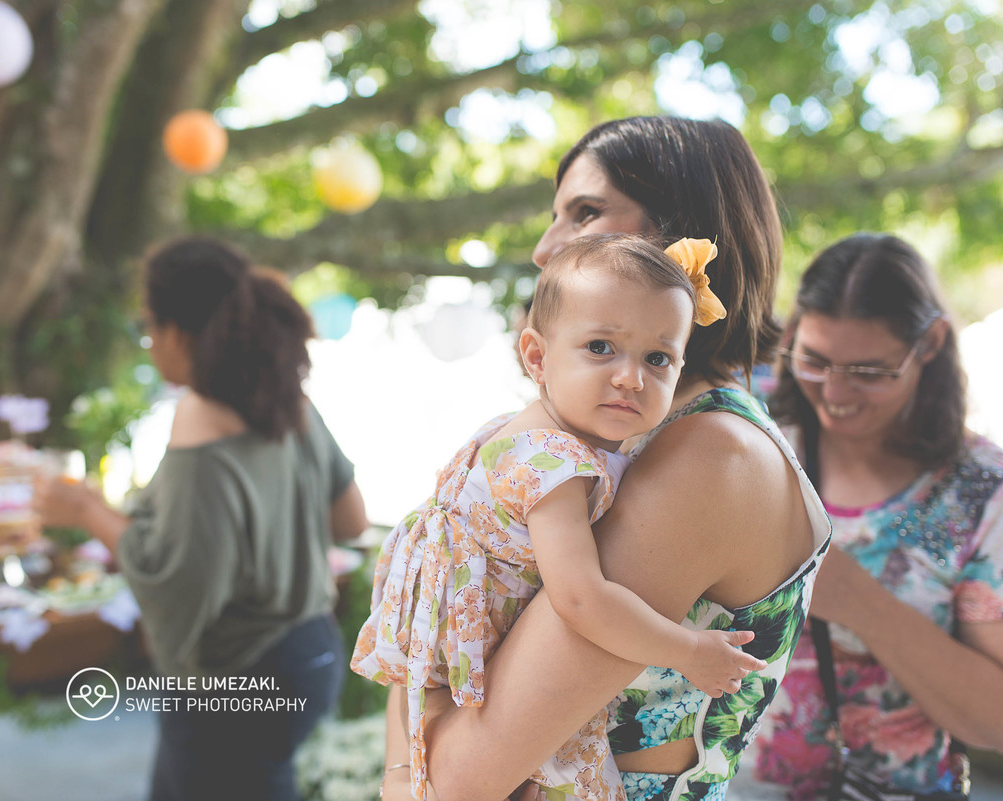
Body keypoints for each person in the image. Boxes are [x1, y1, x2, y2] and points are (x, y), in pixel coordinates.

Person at [377, 116, 831, 801]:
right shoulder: (614, 439)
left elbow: (461, 779)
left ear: (680, 238)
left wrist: (403, 770)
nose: (544, 249)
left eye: (585, 213)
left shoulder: (709, 455)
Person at [353, 234, 768, 801]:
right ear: (536, 357)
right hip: (475, 663)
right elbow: (581, 600)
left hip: (449, 657)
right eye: (601, 347)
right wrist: (688, 651)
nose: (631, 377)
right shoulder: (555, 465)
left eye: (658, 358)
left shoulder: (523, 429)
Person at [32, 236, 369, 801]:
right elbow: (350, 520)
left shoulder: (200, 419)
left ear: (179, 333)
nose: (148, 344)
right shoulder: (289, 401)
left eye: (148, 328)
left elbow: (178, 580)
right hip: (312, 650)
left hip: (239, 674)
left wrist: (87, 512)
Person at [748, 233, 1003, 798]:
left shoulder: (981, 492)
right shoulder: (748, 426)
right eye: (815, 361)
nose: (836, 392)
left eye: (869, 371)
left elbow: (995, 722)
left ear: (930, 344)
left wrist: (861, 603)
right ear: (791, 333)